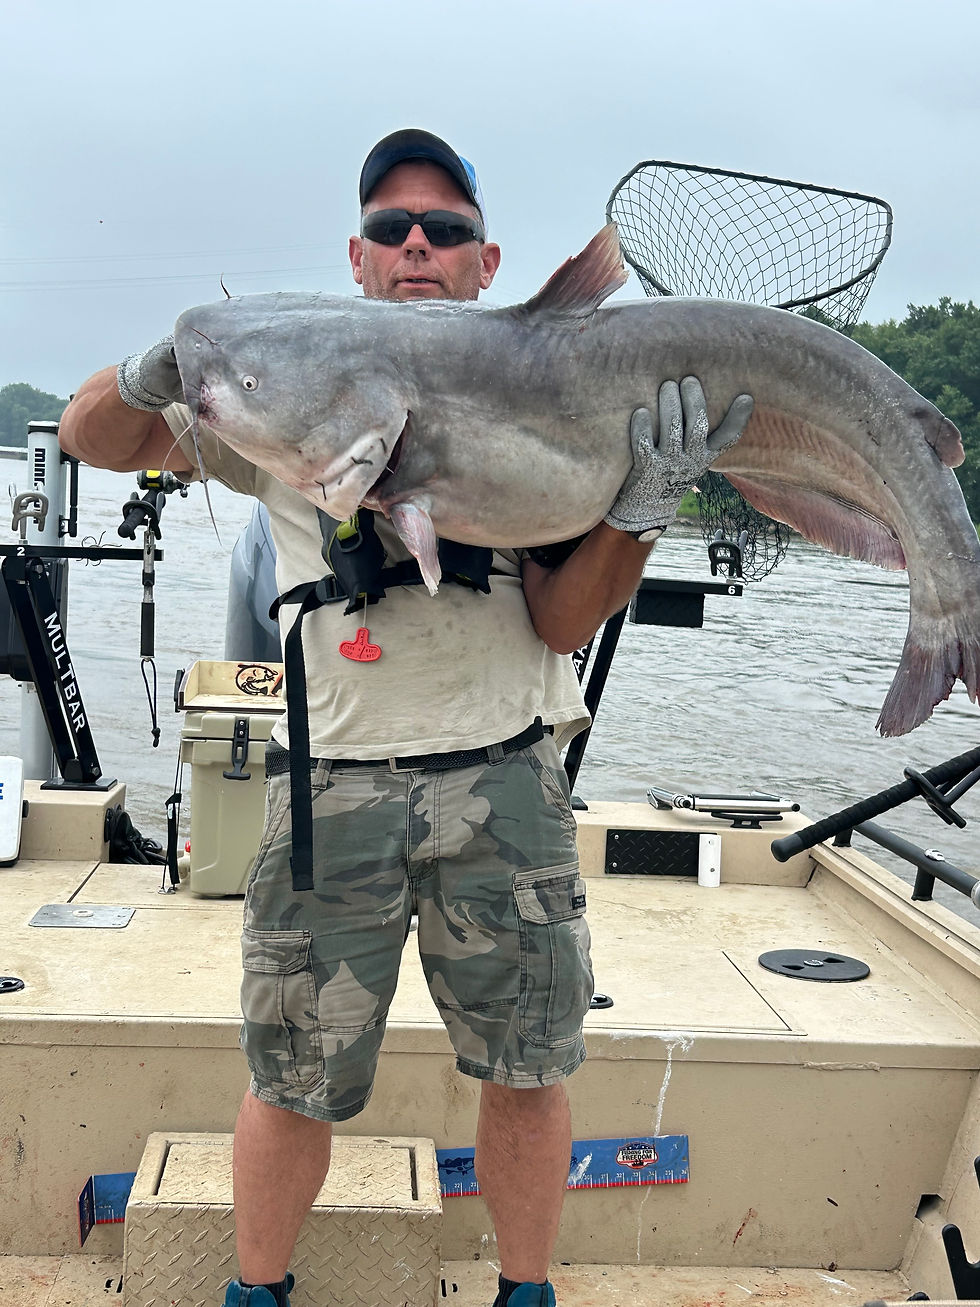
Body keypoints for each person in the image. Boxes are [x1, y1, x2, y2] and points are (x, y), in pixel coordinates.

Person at [59, 129, 752, 1307]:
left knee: (526, 1067)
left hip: (508, 778)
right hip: (331, 787)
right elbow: (96, 438)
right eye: (391, 228)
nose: (416, 244)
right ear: (357, 258)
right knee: (292, 1075)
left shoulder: (549, 407)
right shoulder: (280, 400)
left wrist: (640, 504)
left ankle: (523, 1290)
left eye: (445, 229)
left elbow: (559, 622)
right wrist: (156, 366)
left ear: (489, 264)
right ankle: (256, 1291)